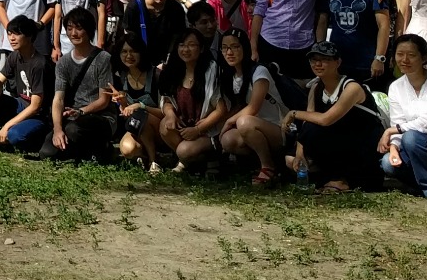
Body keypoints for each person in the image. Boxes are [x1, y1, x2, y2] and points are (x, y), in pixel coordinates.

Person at [288, 40, 385, 193]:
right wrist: (300, 152)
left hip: (363, 142)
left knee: (320, 128)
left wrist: (293, 114)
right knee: (291, 160)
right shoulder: (316, 87)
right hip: (337, 137)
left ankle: (342, 179)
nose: (318, 64)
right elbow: (308, 121)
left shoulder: (351, 87)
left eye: (325, 60)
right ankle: (326, 174)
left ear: (337, 62)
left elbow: (326, 119)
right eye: (314, 60)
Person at [378, 33, 427, 202]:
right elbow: (397, 121)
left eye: (411, 55)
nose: (404, 59)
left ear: (424, 58)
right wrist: (394, 147)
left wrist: (394, 130)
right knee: (387, 163)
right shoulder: (396, 87)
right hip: (410, 143)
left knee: (411, 137)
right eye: (400, 54)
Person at [38, 8, 114, 163]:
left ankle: (101, 147)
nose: (74, 34)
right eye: (70, 29)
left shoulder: (103, 58)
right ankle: (84, 151)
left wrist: (81, 111)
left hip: (100, 116)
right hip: (72, 116)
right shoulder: (63, 63)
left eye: (79, 28)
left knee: (74, 130)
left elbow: (104, 100)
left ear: (89, 30)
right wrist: (57, 129)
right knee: (47, 152)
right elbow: (58, 99)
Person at [214, 28, 288, 185]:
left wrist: (228, 123)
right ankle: (259, 164)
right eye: (225, 48)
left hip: (279, 128)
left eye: (235, 46)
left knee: (244, 122)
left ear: (244, 48)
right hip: (254, 130)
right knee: (228, 140)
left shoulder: (259, 71)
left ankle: (268, 167)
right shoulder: (230, 76)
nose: (229, 52)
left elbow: (253, 107)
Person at [157, 28, 225, 172]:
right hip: (185, 127)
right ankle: (192, 161)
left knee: (183, 151)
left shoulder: (211, 71)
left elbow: (221, 109)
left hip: (208, 130)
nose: (185, 49)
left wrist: (198, 129)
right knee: (165, 125)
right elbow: (167, 100)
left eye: (191, 45)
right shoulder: (173, 70)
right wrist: (170, 114)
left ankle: (207, 157)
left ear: (201, 49)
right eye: (181, 45)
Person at [111, 35, 163, 170]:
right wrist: (123, 104)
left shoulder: (156, 75)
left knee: (141, 115)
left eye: (133, 51)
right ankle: (144, 154)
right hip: (136, 127)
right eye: (124, 52)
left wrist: (141, 106)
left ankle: (154, 161)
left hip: (160, 128)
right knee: (127, 149)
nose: (129, 55)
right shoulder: (120, 76)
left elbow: (165, 112)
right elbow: (127, 115)